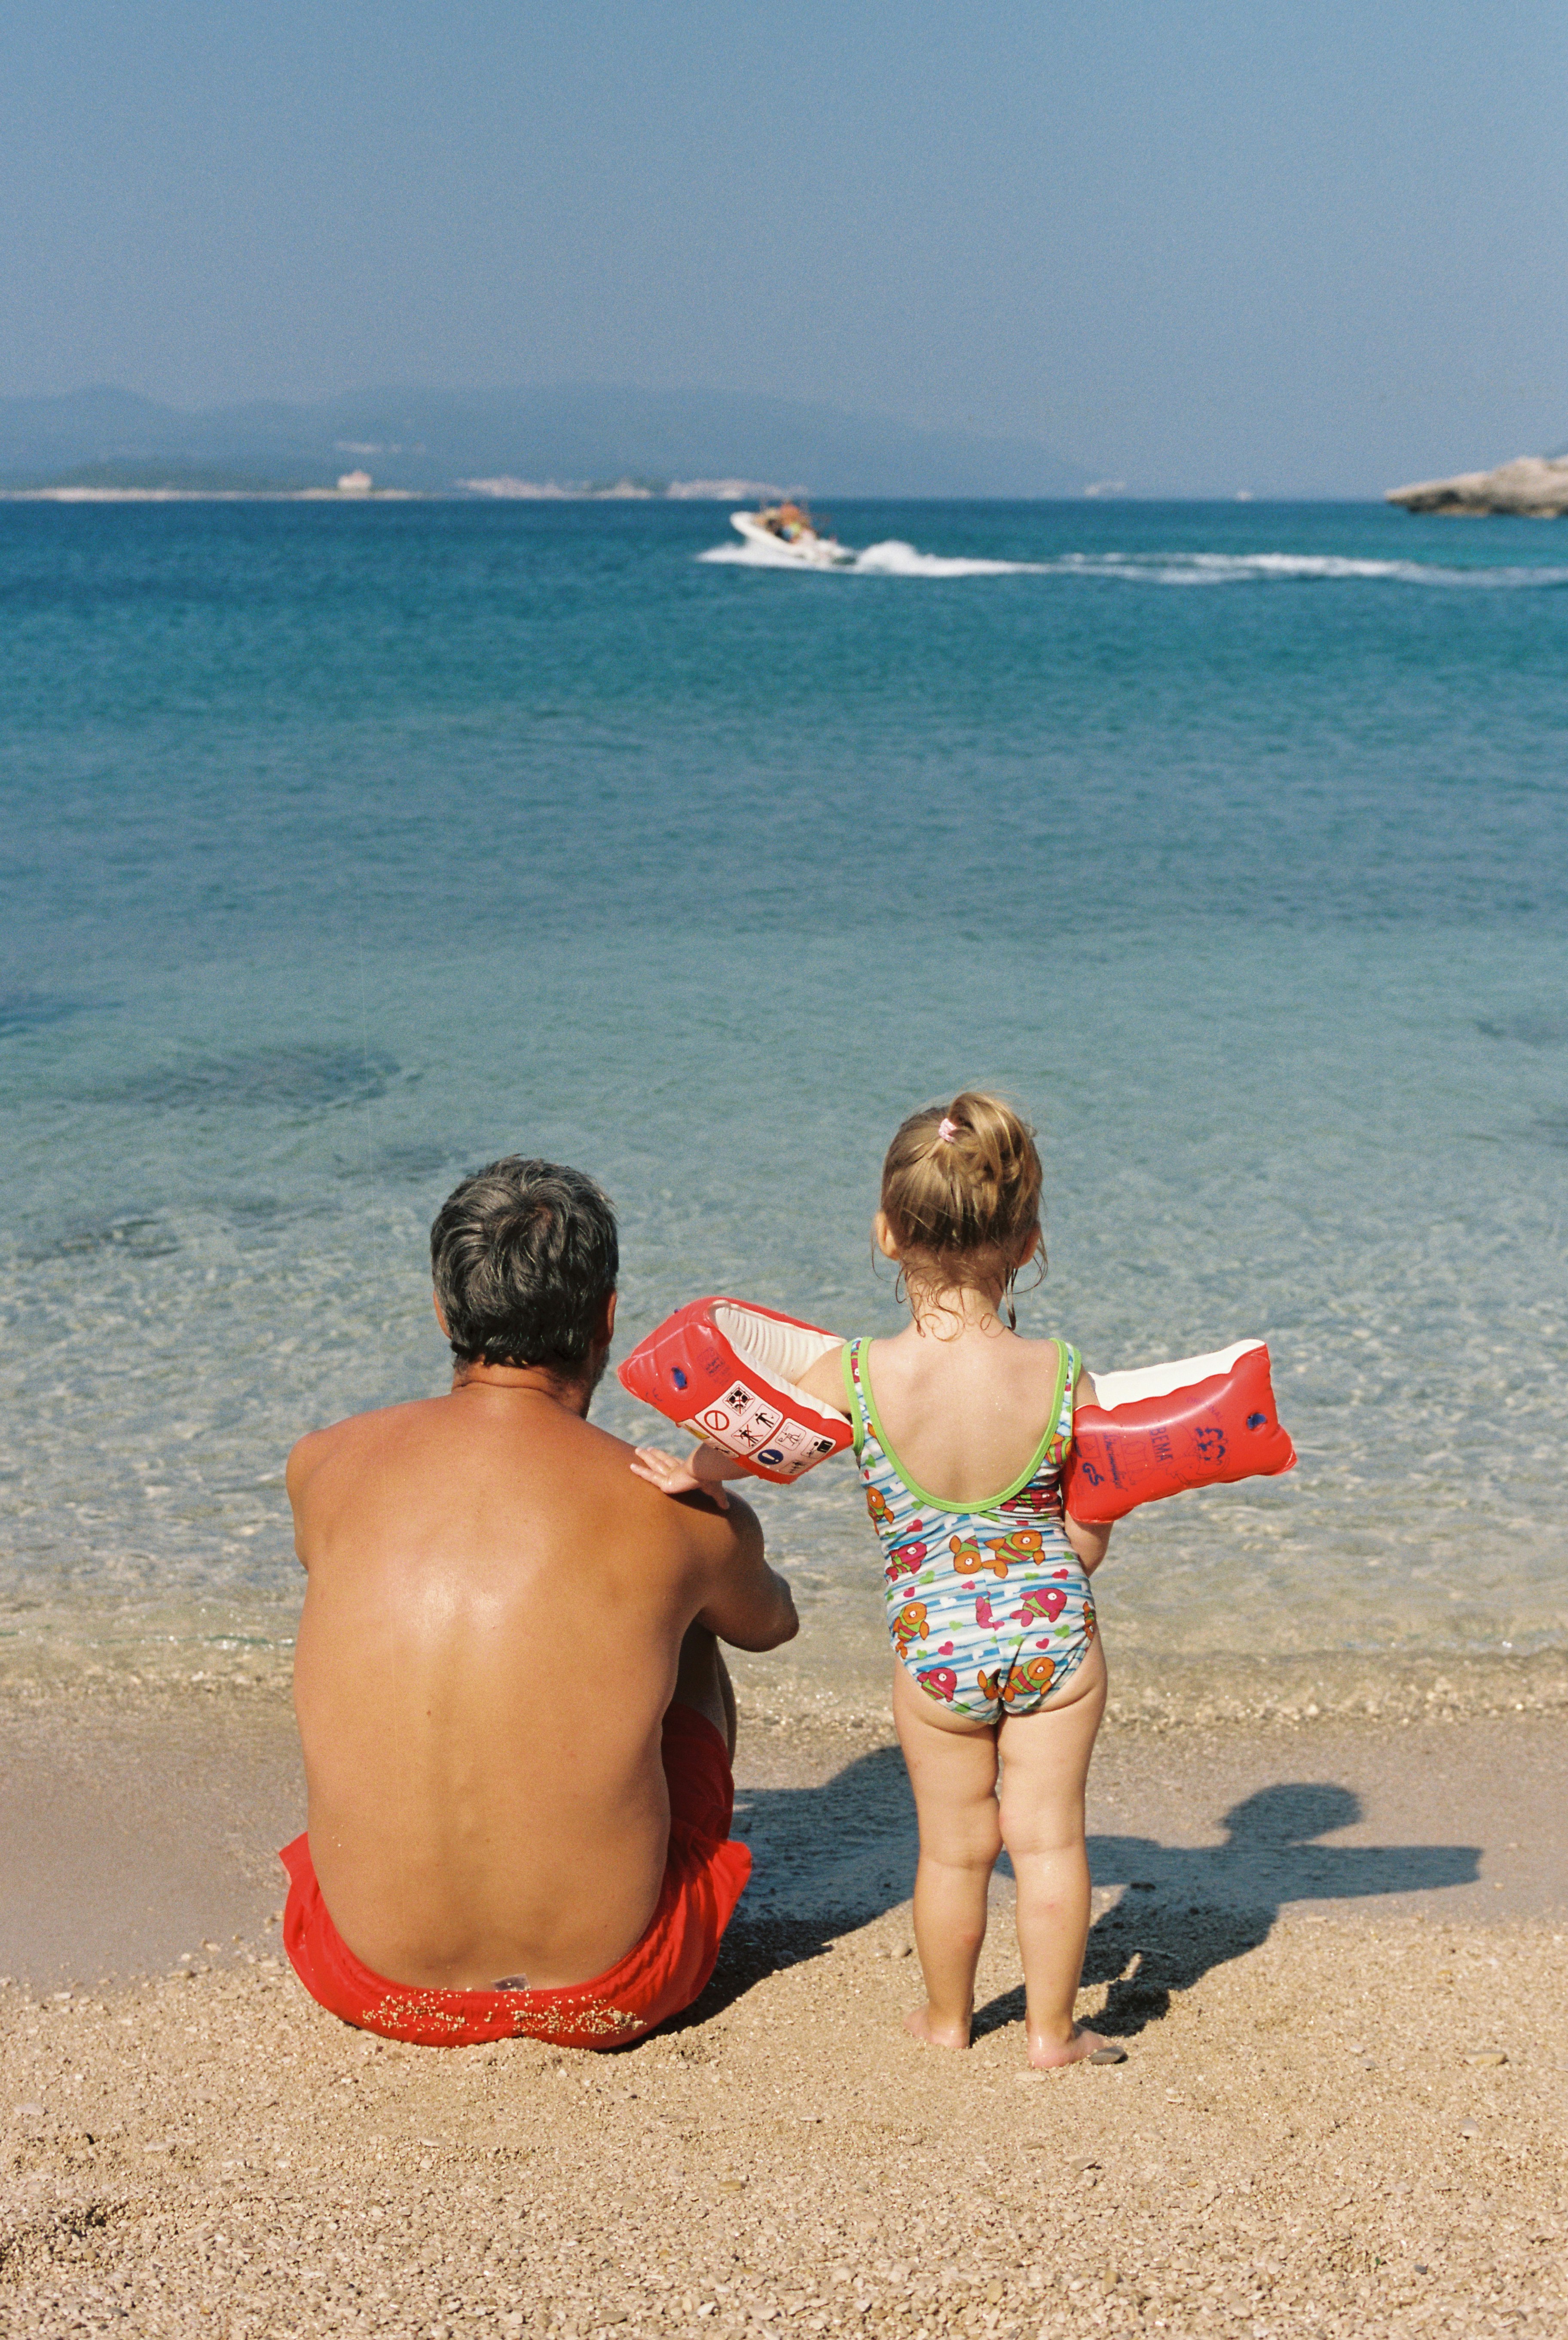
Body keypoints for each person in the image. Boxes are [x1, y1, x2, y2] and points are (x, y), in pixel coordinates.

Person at [630, 1093, 1122, 2069]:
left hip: (935, 1650)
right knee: (1051, 1842)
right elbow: (1088, 1535)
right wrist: (1059, 1555)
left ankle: (947, 2020)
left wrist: (698, 1474)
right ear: (1027, 1244)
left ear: (887, 1234)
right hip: (1056, 1636)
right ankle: (1053, 2033)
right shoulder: (1064, 1374)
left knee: (952, 1849)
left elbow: (757, 1445)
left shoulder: (854, 1376)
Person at [282, 1156, 797, 2049]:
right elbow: (772, 1625)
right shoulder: (669, 1511)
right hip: (615, 1986)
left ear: (444, 1312)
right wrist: (728, 1515)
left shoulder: (323, 1464)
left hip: (368, 1981)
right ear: (606, 1317)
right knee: (691, 1624)